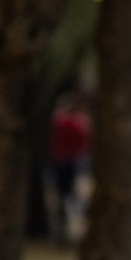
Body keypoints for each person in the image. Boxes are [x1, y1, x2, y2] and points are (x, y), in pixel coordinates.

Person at [47, 86, 92, 239]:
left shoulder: (67, 122)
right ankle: (63, 225)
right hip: (67, 162)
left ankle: (66, 224)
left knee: (68, 194)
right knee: (66, 195)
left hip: (69, 162)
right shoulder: (78, 122)